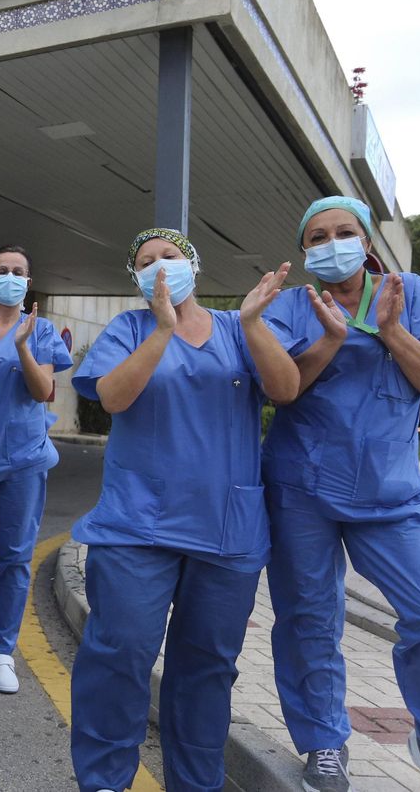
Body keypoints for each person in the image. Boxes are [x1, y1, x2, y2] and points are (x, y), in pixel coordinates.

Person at [262, 197, 420, 792]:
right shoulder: (290, 307)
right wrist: (331, 341)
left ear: (366, 241)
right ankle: (324, 744)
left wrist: (390, 331)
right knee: (309, 619)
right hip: (302, 488)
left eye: (344, 232)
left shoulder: (407, 293)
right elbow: (282, 390)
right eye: (317, 236)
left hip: (391, 494)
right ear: (305, 251)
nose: (331, 242)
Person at [68, 228, 298, 792]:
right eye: (145, 262)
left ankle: (196, 785)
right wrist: (163, 330)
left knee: (206, 671)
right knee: (119, 656)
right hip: (135, 527)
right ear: (136, 278)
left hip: (226, 530)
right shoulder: (129, 329)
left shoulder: (236, 329)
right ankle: (103, 781)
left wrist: (251, 323)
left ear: (193, 263)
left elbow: (287, 388)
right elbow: (114, 398)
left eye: (169, 257)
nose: (159, 268)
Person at [0, 245, 73, 693]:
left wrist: (22, 346)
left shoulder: (40, 330)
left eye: (18, 271)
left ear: (28, 281)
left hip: (24, 458)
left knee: (15, 557)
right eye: (1, 270)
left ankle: (2, 647)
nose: (9, 276)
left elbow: (44, 390)